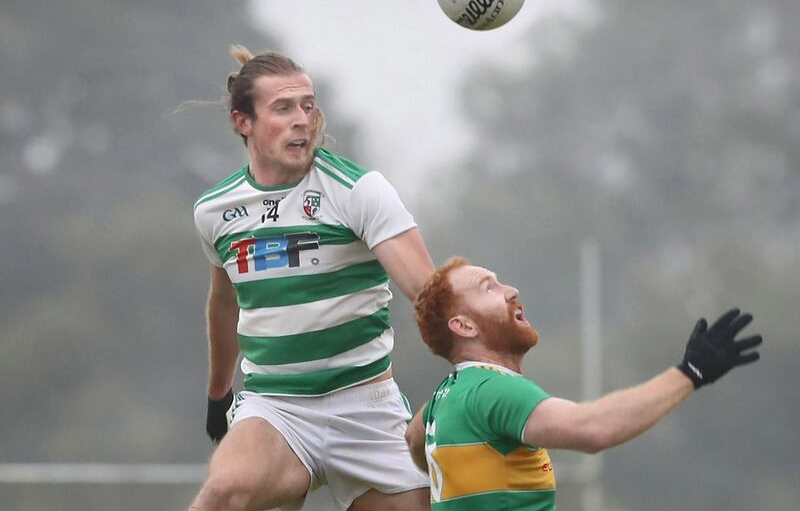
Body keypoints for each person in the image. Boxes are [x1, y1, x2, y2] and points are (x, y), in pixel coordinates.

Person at [189, 46, 434, 511]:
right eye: (283, 108)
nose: (303, 118)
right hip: (277, 408)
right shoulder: (214, 211)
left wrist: (477, 368)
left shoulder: (358, 190)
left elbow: (428, 293)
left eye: (308, 104)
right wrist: (218, 393)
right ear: (244, 122)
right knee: (220, 495)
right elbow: (225, 302)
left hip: (367, 406)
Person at [405, 257, 763, 510]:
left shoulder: (445, 396)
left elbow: (413, 437)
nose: (511, 290)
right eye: (489, 288)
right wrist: (691, 372)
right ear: (465, 327)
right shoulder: (495, 389)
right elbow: (593, 429)